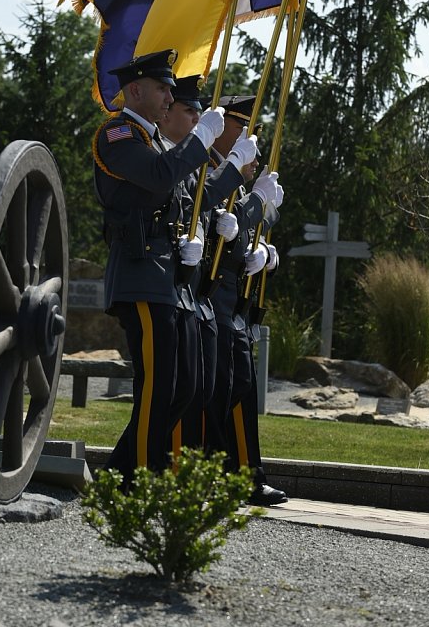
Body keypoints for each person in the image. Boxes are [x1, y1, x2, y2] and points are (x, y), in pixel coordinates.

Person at [92, 50, 228, 489]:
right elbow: (156, 176)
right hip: (139, 273)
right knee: (157, 386)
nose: (171, 95)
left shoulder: (150, 138)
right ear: (135, 90)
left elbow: (180, 195)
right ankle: (143, 479)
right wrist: (201, 139)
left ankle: (120, 471)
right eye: (162, 87)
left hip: (166, 275)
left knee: (183, 387)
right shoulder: (117, 133)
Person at [160, 75, 256, 452]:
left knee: (214, 386)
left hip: (209, 292)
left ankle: (209, 473)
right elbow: (193, 203)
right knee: (183, 389)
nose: (197, 121)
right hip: (192, 287)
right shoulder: (181, 157)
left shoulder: (199, 164)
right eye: (241, 125)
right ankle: (161, 474)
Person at [201, 94, 288, 505]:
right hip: (210, 295)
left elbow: (237, 238)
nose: (247, 139)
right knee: (219, 389)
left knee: (241, 386)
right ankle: (223, 475)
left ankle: (246, 475)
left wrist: (264, 255)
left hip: (232, 298)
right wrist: (260, 206)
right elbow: (216, 226)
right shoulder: (206, 170)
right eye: (239, 128)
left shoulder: (228, 174)